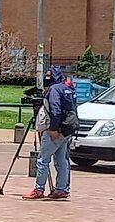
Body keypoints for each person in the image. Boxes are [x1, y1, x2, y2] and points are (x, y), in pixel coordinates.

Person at [25, 67, 77, 201]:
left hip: (55, 130)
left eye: (49, 75)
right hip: (67, 129)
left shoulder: (54, 90)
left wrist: (53, 129)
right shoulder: (67, 88)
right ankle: (61, 189)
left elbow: (55, 110)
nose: (46, 78)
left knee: (43, 160)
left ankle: (39, 189)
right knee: (61, 161)